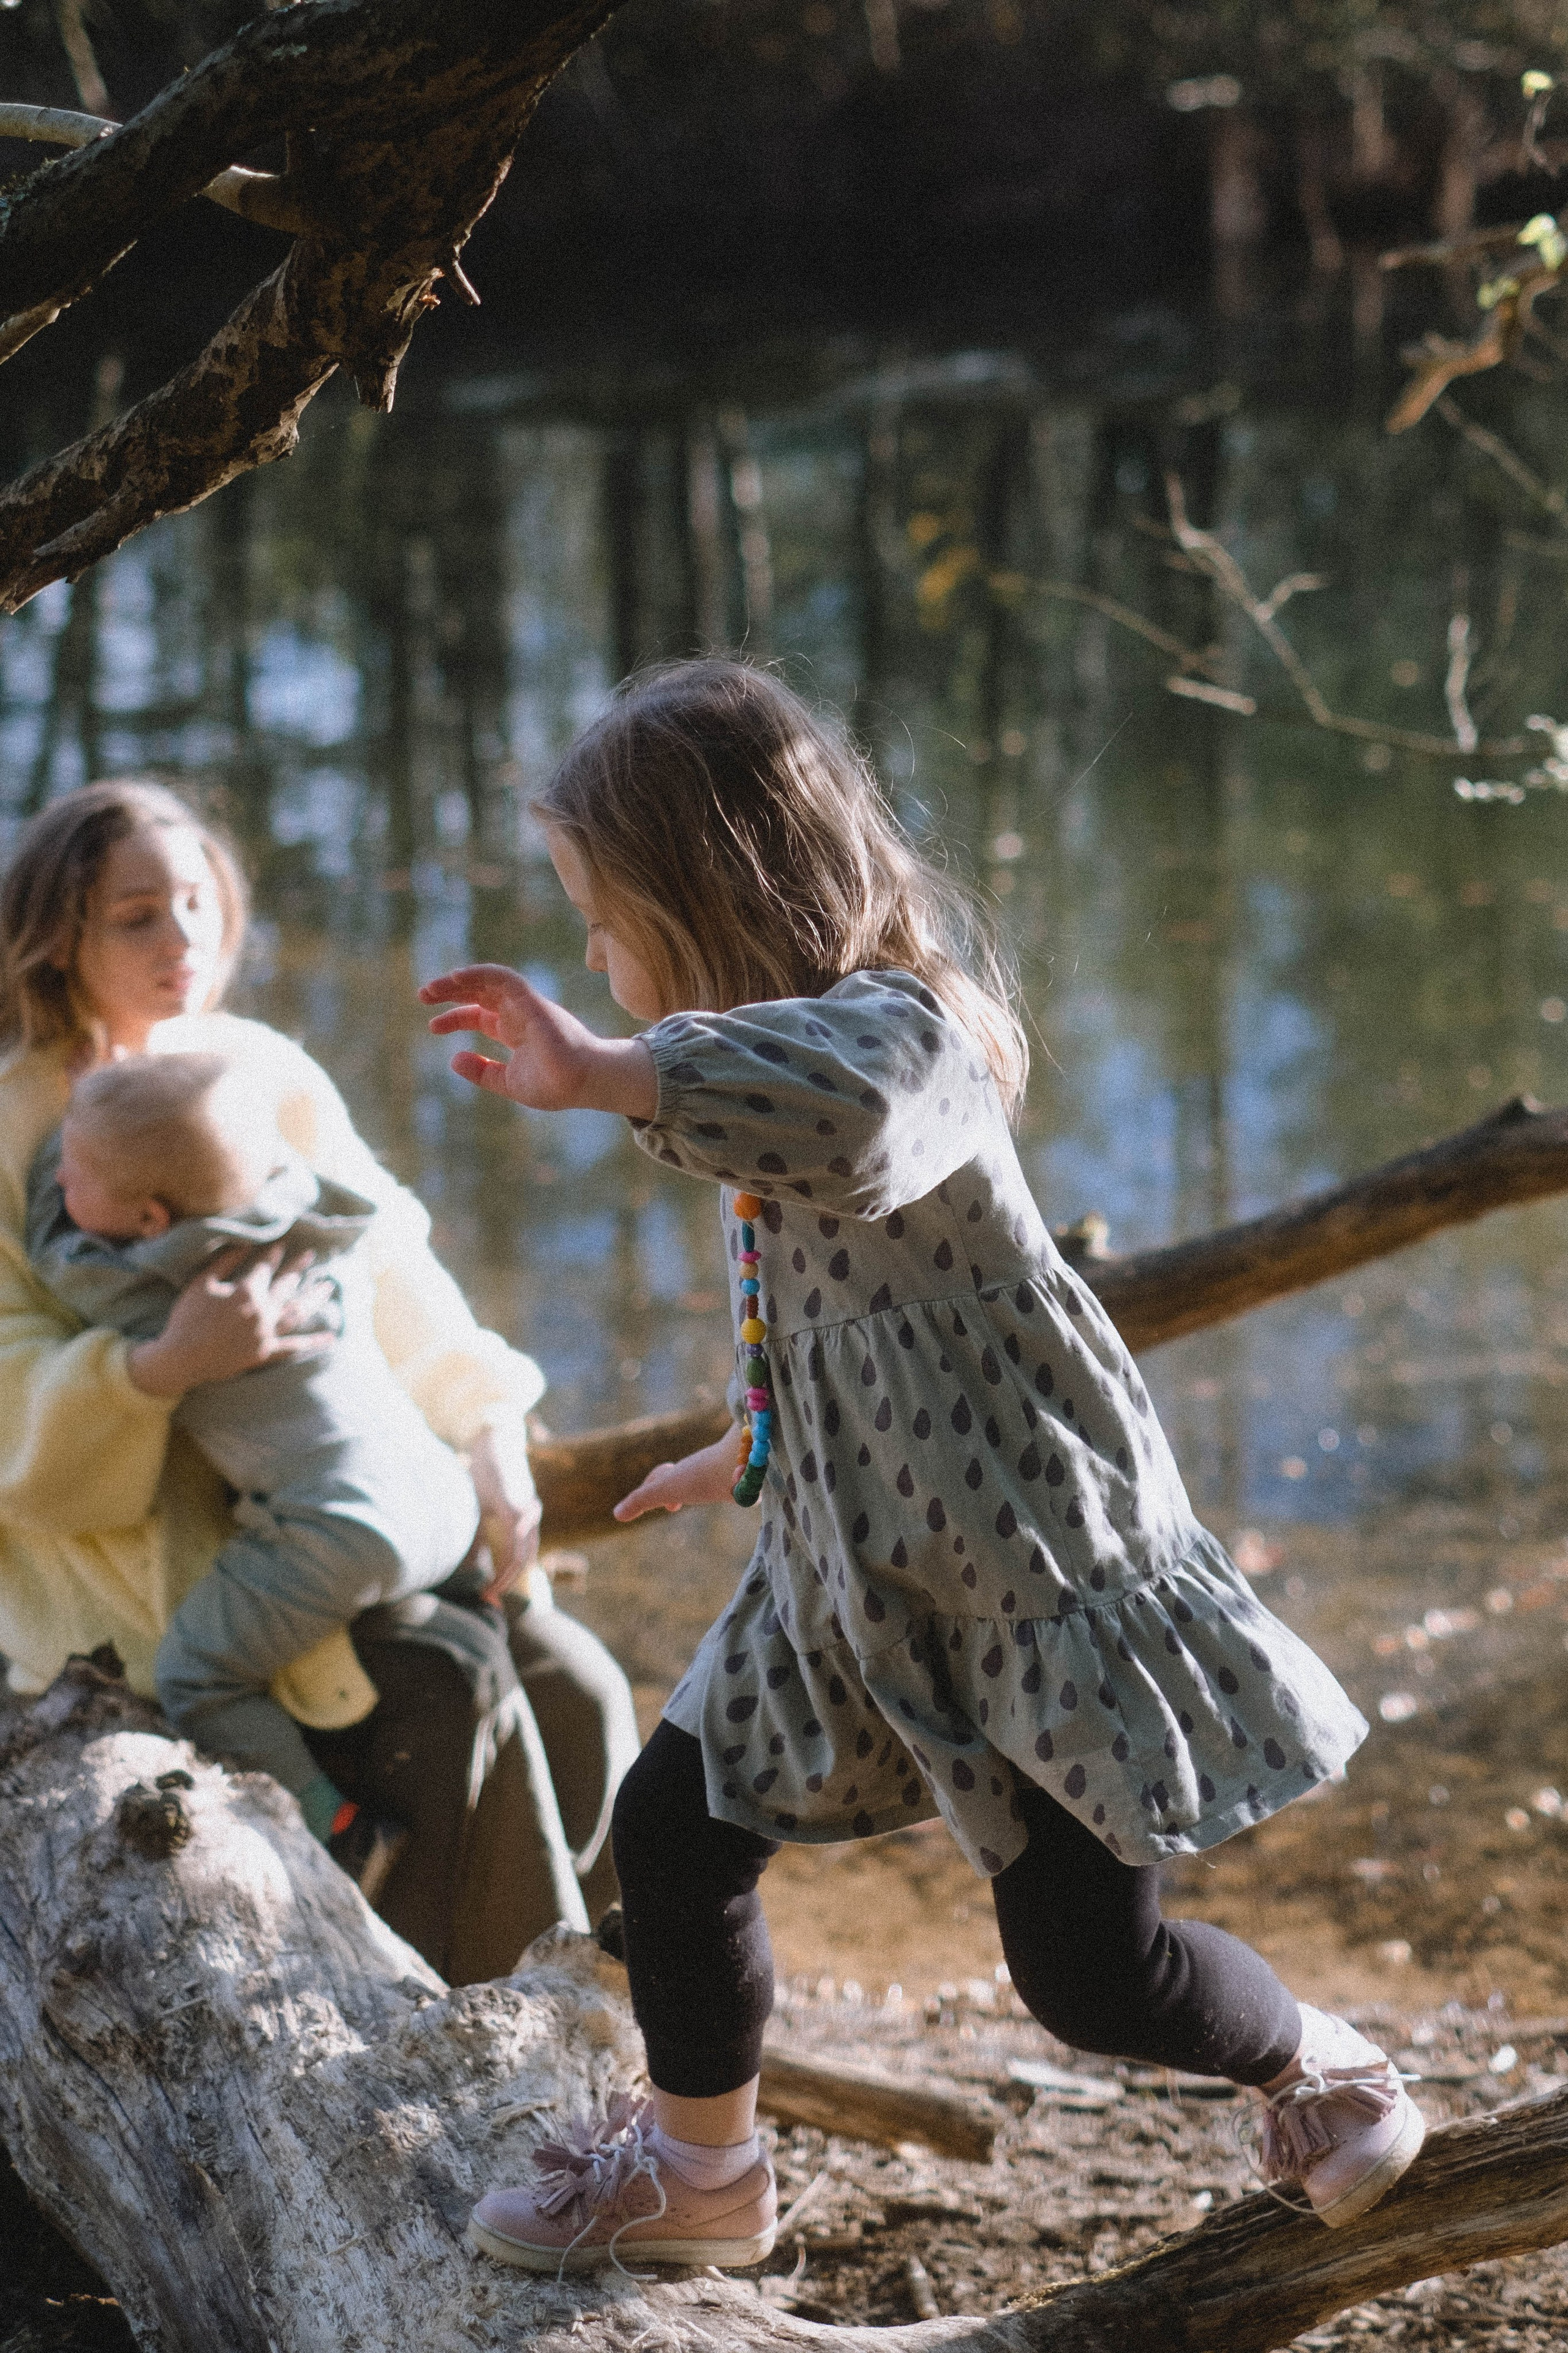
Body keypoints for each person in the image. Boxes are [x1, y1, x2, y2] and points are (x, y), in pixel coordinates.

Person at [425, 659, 1426, 2276]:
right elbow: (828, 1304)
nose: (595, 960)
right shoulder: (755, 1081)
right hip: (850, 1565)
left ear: (711, 896)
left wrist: (607, 1070)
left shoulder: (913, 1030)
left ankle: (1322, 2062)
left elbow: (858, 1132)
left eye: (605, 922)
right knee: (673, 1825)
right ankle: (702, 2169)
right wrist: (747, 1444)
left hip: (1028, 1583)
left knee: (1091, 1979)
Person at [0, 779, 638, 1981]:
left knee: (583, 1686)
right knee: (457, 1693)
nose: (182, 939)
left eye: (198, 903)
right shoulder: (14, 1123)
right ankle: (479, 2041)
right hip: (157, 1583)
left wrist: (489, 1428)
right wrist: (157, 1368)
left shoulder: (257, 1071)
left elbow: (386, 1259)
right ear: (56, 938)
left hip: (338, 1496)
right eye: (137, 916)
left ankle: (612, 2002)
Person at [27, 1051, 484, 1884]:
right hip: (445, 1503)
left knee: (195, 1677)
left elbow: (54, 1254)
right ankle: (476, 1594)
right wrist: (106, 1121)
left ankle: (340, 1830)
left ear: (150, 1218)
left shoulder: (167, 1289)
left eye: (76, 1169)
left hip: (332, 1533)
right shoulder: (301, 1208)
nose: (61, 1174)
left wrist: (44, 1145)